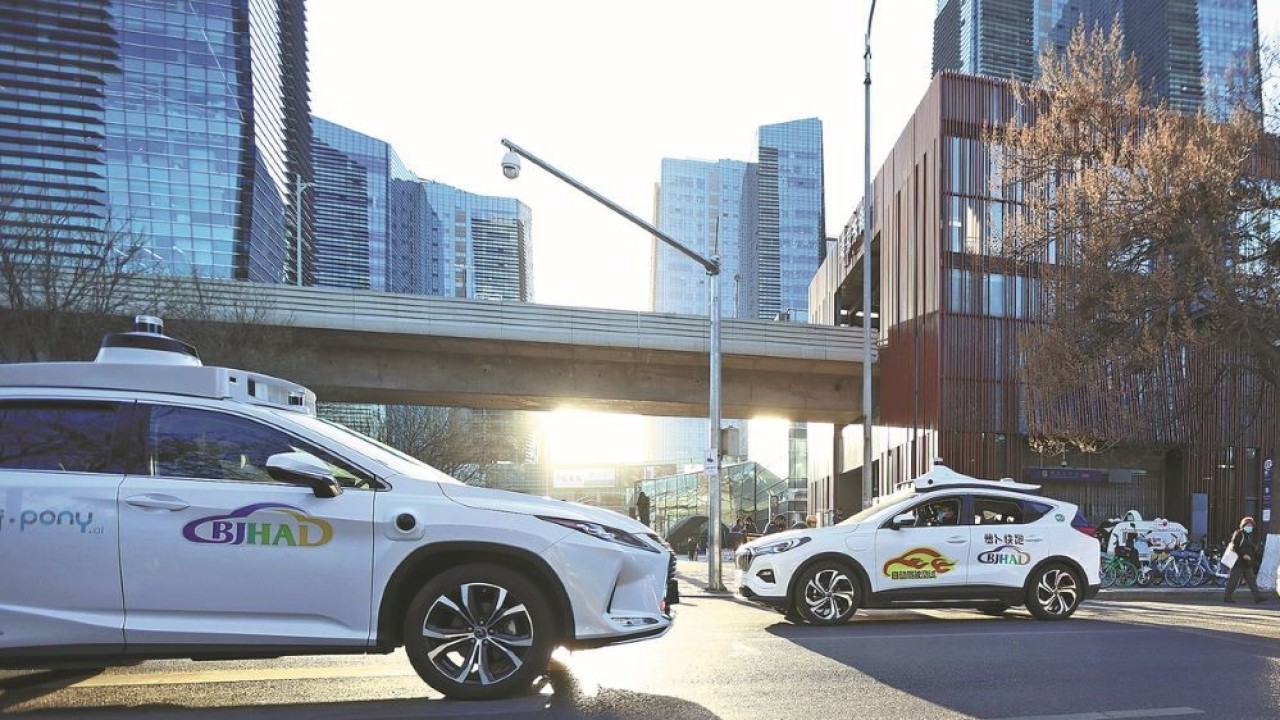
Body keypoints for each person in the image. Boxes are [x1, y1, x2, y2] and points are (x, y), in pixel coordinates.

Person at [1224, 516, 1270, 604]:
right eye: (1248, 525)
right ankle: (1227, 597)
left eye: (1251, 525)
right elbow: (1235, 546)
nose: (1250, 527)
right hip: (1238, 562)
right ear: (1243, 525)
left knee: (1252, 581)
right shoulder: (1239, 534)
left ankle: (1258, 597)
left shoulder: (1247, 536)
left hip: (1247, 563)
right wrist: (1243, 555)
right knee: (1234, 580)